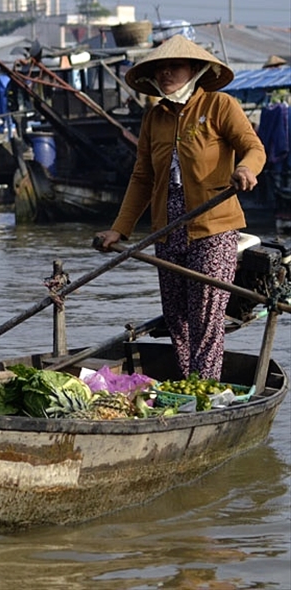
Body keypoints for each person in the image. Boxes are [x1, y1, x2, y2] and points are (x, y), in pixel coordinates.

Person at [94, 35, 266, 381]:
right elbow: (142, 178)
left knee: (206, 315)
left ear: (195, 70)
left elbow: (253, 147)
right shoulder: (154, 118)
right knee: (177, 317)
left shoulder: (220, 106)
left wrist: (246, 169)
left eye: (175, 67)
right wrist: (119, 229)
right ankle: (190, 385)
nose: (166, 73)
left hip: (213, 228)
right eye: (160, 69)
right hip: (167, 230)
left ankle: (207, 390)